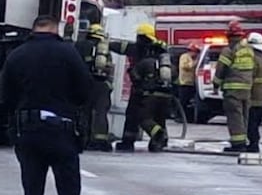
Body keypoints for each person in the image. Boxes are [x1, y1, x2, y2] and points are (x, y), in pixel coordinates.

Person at [0, 15, 102, 195]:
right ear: (56, 28)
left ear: (34, 28)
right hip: (62, 133)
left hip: (28, 133)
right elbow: (85, 91)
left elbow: (5, 96)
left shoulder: (17, 55)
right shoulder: (68, 53)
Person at [109, 23, 173, 152]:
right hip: (164, 93)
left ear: (140, 36)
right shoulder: (161, 53)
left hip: (142, 90)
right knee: (158, 118)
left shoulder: (137, 48)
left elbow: (119, 48)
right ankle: (160, 141)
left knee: (134, 115)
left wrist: (105, 43)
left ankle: (128, 142)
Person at [214, 21, 255, 152]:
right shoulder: (248, 50)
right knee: (244, 116)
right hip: (247, 89)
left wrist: (216, 84)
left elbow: (221, 69)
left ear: (229, 36)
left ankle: (238, 144)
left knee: (234, 116)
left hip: (232, 90)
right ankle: (244, 140)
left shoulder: (229, 49)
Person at [76, 23, 113, 152]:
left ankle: (83, 137)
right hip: (102, 85)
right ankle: (100, 140)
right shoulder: (104, 49)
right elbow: (109, 69)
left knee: (84, 111)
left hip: (85, 83)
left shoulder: (81, 45)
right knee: (101, 112)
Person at [247, 32, 262, 154]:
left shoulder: (253, 58)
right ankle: (254, 142)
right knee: (255, 120)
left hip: (252, 94)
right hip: (260, 95)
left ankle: (253, 144)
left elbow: (249, 75)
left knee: (251, 121)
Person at [177, 43, 200, 118]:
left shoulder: (192, 58)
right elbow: (185, 66)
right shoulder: (185, 57)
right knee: (183, 101)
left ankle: (186, 116)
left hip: (192, 83)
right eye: (195, 52)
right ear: (191, 51)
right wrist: (195, 63)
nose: (196, 54)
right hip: (184, 83)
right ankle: (179, 116)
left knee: (188, 102)